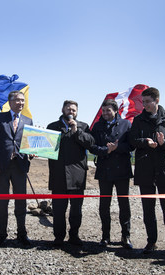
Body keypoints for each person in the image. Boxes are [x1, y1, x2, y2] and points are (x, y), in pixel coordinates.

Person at [129, 87, 165, 257]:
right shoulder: (138, 120)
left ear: (157, 100)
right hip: (145, 170)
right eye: (143, 102)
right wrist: (145, 141)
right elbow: (132, 140)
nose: (144, 105)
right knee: (148, 209)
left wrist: (163, 142)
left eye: (147, 102)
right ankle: (151, 242)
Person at [0, 90, 33, 246]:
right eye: (18, 100)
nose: (21, 103)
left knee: (21, 202)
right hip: (2, 166)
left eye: (23, 100)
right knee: (1, 202)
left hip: (20, 166)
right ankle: (1, 235)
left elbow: (29, 143)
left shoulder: (28, 120)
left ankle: (22, 234)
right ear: (10, 102)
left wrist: (32, 153)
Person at [47, 100, 95, 247]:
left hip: (77, 176)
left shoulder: (84, 126)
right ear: (62, 109)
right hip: (58, 174)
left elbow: (91, 143)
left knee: (76, 210)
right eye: (68, 108)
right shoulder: (52, 126)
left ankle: (74, 235)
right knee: (59, 210)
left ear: (77, 112)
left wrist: (77, 132)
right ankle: (59, 237)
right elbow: (45, 147)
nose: (71, 111)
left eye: (73, 109)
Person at [89, 99, 133, 249]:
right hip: (104, 170)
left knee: (124, 205)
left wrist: (117, 147)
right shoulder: (97, 126)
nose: (106, 113)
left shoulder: (126, 125)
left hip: (122, 171)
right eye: (104, 111)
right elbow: (92, 147)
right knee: (104, 205)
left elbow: (131, 145)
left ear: (115, 111)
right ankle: (105, 236)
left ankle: (125, 236)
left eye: (108, 110)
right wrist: (106, 150)